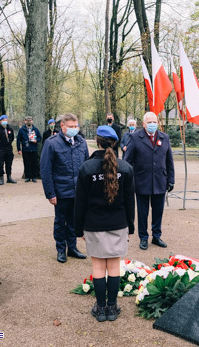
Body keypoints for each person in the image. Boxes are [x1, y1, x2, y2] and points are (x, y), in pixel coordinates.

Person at [74, 125, 135, 322]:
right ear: (115, 143)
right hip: (118, 224)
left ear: (96, 141)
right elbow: (129, 201)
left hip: (93, 224)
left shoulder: (86, 168)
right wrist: (130, 226)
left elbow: (80, 203)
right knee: (114, 267)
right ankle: (112, 307)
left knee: (98, 268)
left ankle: (101, 309)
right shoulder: (125, 168)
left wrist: (78, 228)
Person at [40, 113, 89, 263]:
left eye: (76, 126)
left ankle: (72, 247)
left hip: (77, 191)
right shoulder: (51, 143)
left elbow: (87, 166)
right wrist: (50, 193)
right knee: (61, 222)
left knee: (74, 221)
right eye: (71, 127)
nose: (75, 129)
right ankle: (61, 249)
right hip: (61, 191)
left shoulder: (81, 142)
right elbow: (45, 170)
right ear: (62, 126)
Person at [124, 111, 174, 250]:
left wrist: (171, 179)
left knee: (158, 211)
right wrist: (128, 180)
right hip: (141, 181)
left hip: (160, 180)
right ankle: (143, 237)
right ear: (144, 124)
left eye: (154, 122)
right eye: (150, 122)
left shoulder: (165, 137)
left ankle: (156, 236)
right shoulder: (135, 138)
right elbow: (127, 161)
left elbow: (169, 161)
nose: (152, 124)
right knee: (142, 212)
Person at [0, 115, 17, 185]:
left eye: (5, 120)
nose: (4, 121)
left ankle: (9, 177)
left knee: (9, 164)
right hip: (0, 149)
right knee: (1, 164)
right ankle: (1, 178)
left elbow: (12, 137)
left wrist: (9, 142)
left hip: (8, 149)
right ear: (0, 121)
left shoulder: (10, 129)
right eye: (3, 120)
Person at [17, 116, 42, 182]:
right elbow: (18, 140)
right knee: (26, 163)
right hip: (25, 149)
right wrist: (19, 149)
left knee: (34, 163)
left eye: (30, 120)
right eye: (27, 120)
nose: (29, 121)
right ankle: (28, 176)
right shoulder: (22, 130)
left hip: (34, 149)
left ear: (32, 121)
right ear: (25, 121)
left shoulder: (35, 129)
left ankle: (34, 176)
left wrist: (36, 140)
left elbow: (40, 137)